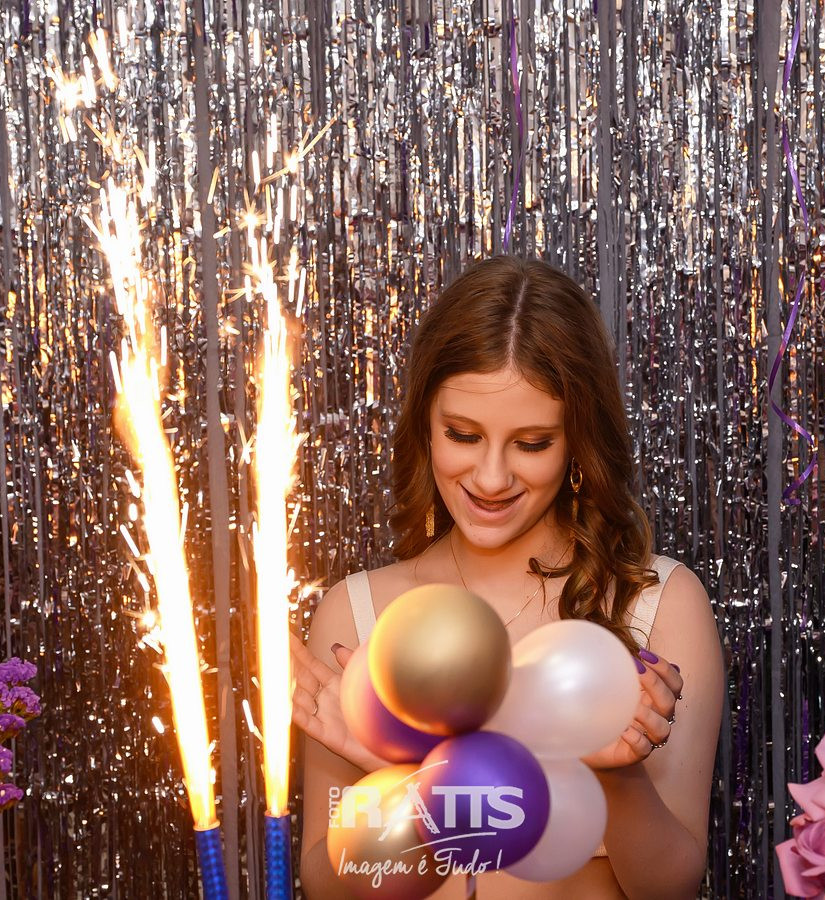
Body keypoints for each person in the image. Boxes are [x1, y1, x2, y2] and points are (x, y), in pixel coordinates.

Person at [291, 256, 723, 899]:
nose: (491, 478)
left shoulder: (656, 604)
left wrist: (617, 773)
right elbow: (328, 887)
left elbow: (672, 889)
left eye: (532, 443)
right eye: (463, 435)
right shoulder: (358, 614)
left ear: (577, 442)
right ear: (426, 426)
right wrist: (414, 783)